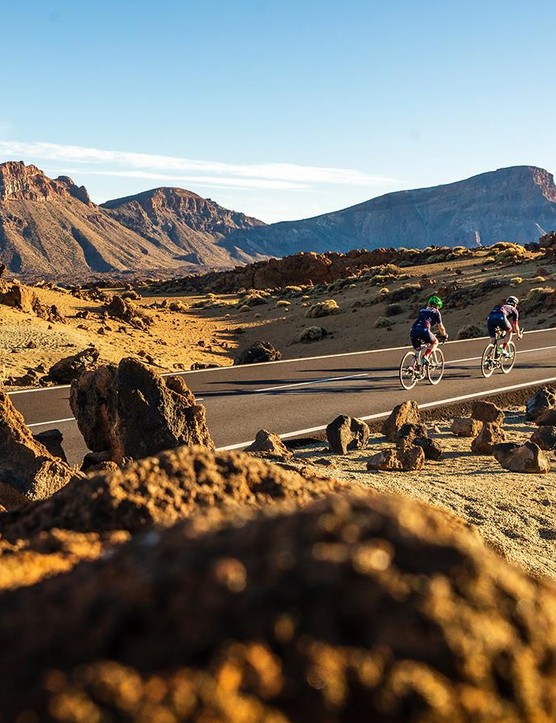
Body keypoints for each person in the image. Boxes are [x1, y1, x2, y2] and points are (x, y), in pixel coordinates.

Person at [410, 295, 448, 364]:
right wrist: (444, 335)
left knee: (418, 350)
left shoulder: (422, 310)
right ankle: (426, 356)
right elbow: (441, 327)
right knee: (435, 342)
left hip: (413, 330)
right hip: (424, 330)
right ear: (437, 306)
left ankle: (412, 367)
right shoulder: (436, 312)